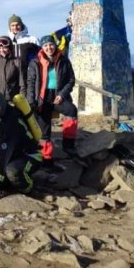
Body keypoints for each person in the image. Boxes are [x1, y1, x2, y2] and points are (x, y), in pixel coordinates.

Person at [26, 35, 78, 169]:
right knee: (44, 130)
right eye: (45, 45)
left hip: (58, 96)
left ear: (55, 45)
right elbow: (31, 83)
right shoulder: (35, 62)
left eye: (51, 44)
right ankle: (47, 160)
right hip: (42, 98)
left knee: (71, 110)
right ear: (42, 48)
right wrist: (31, 101)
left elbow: (71, 80)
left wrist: (62, 94)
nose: (49, 48)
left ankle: (68, 144)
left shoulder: (64, 61)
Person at [0, 90, 43, 197]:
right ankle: (8, 186)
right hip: (11, 155)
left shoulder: (13, 121)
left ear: (2, 103)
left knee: (12, 171)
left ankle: (28, 190)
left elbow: (5, 154)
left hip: (30, 155)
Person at [8, 15, 40, 95]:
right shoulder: (7, 41)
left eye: (17, 25)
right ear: (9, 27)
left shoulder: (32, 39)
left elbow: (40, 56)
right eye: (12, 25)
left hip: (27, 75)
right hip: (12, 77)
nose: (15, 27)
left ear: (21, 25)